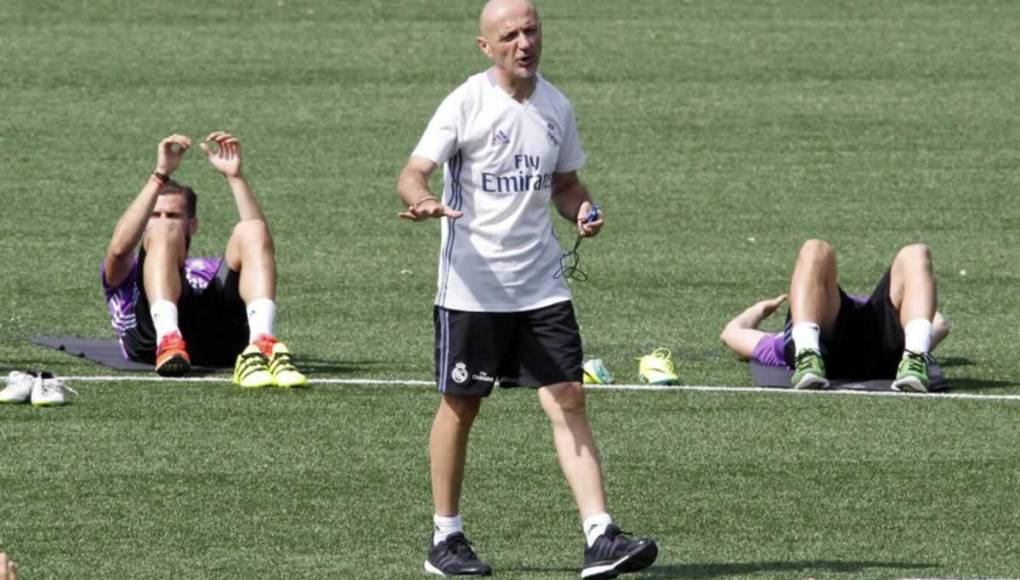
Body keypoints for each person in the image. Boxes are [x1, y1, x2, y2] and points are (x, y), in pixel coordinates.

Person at [396, 0, 657, 577]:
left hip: (541, 284)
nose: (524, 42)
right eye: (509, 34)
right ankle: (445, 539)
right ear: (485, 46)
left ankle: (600, 536)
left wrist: (582, 207)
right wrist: (422, 200)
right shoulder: (466, 101)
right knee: (461, 406)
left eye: (531, 30)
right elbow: (413, 171)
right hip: (473, 289)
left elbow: (564, 182)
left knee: (569, 395)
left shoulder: (555, 105)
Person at [102, 132, 307, 388]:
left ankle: (261, 342)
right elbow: (119, 250)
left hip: (221, 339)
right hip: (149, 341)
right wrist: (159, 175)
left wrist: (235, 178)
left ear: (193, 225)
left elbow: (262, 247)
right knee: (162, 234)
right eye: (155, 215)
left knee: (253, 229)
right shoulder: (129, 270)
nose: (164, 221)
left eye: (173, 215)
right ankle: (168, 337)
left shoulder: (207, 268)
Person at [720, 240, 949, 392]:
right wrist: (913, 298)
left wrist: (758, 310)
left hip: (875, 352)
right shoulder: (784, 341)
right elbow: (939, 324)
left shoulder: (782, 341)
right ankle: (915, 357)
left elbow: (732, 332)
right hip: (880, 356)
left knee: (914, 252)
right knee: (816, 248)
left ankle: (807, 357)